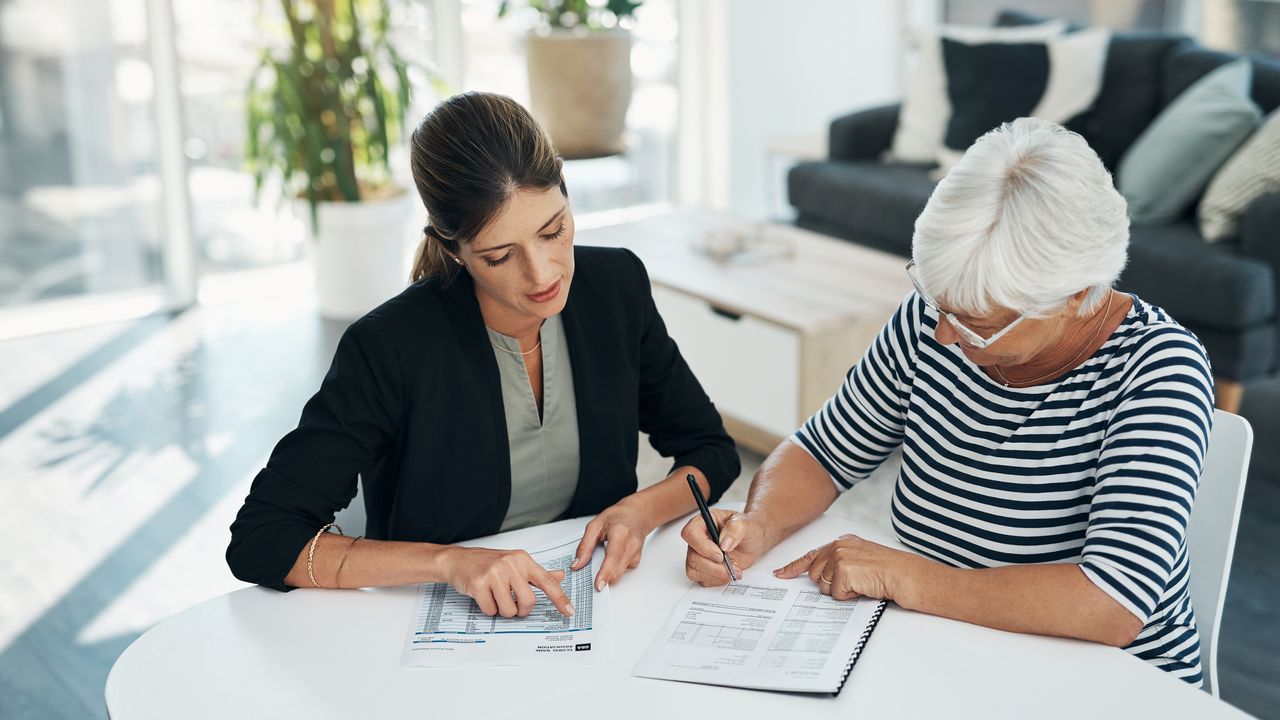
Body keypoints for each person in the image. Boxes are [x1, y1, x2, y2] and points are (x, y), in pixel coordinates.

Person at [682, 117, 1213, 685]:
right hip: (951, 648)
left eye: (977, 325)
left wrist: (907, 577)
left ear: (1077, 294)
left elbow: (1112, 604)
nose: (943, 337)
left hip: (1108, 683)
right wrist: (759, 525)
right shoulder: (936, 318)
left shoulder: (1159, 369)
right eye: (940, 305)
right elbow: (823, 450)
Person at [228, 92, 739, 620]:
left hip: (597, 610)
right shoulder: (388, 348)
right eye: (499, 256)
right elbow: (264, 538)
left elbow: (710, 449)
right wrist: (450, 563)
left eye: (553, 230)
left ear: (564, 184)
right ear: (451, 248)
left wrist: (640, 511)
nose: (543, 275)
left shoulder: (615, 288)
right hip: (427, 629)